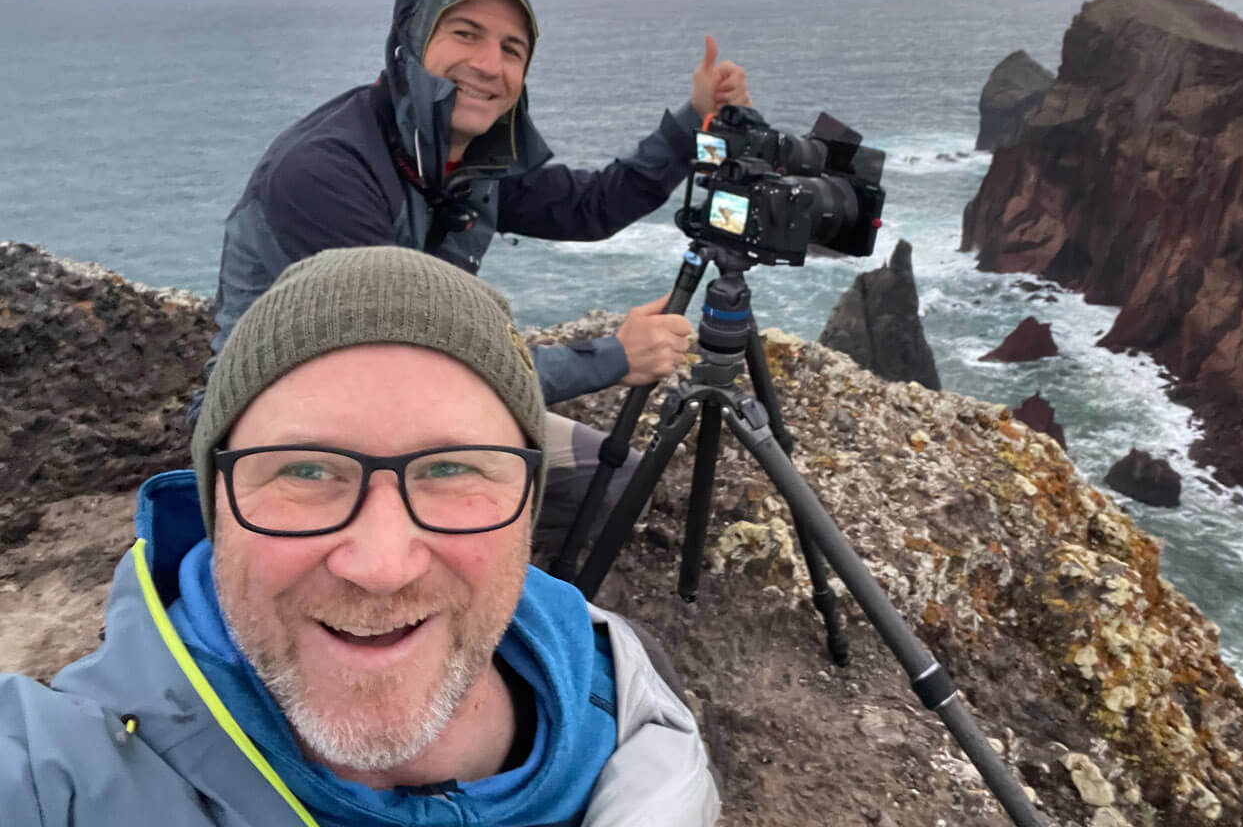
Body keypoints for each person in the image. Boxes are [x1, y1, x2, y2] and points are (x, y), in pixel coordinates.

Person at [0, 246, 720, 826]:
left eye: (451, 469)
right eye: (307, 471)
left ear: (527, 505)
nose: (380, 566)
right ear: (216, 502)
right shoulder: (56, 776)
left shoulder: (629, 692)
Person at [206, 0, 753, 559]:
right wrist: (610, 358)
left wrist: (692, 121)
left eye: (512, 50)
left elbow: (590, 207)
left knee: (610, 481)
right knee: (428, 516)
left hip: (412, 406)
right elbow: (409, 362)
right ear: (410, 40)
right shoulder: (324, 173)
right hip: (290, 421)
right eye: (466, 34)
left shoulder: (468, 158)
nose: (490, 65)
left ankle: (493, 602)